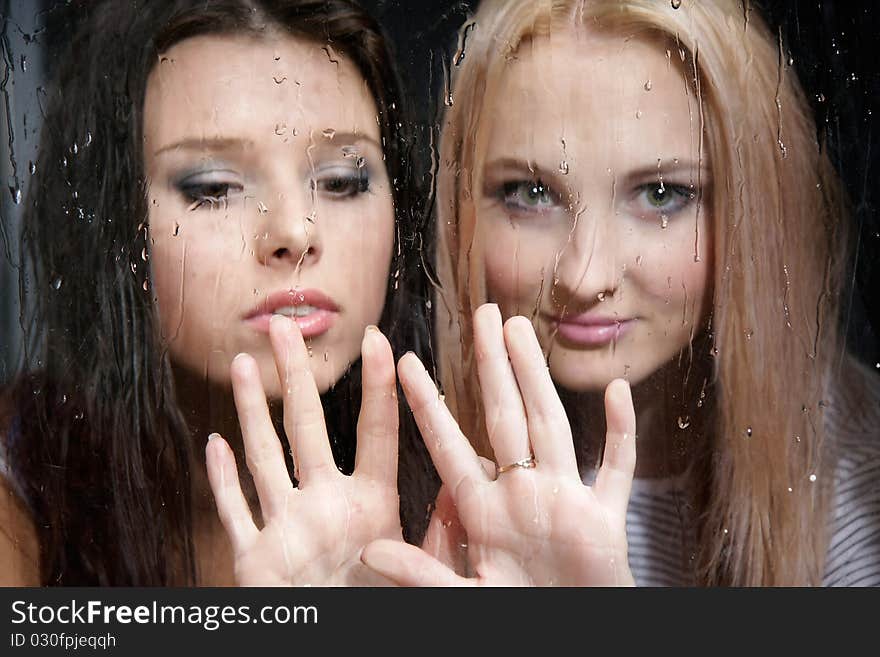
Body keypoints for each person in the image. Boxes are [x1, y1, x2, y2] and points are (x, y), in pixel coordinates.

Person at [360, 0, 880, 586]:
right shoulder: (382, 469)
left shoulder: (856, 485)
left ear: (754, 212)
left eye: (661, 194)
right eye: (530, 193)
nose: (584, 277)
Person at [0, 0, 439, 586]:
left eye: (341, 180)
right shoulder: (21, 501)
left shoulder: (468, 480)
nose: (294, 232)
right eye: (213, 188)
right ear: (108, 224)